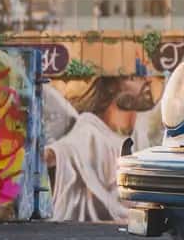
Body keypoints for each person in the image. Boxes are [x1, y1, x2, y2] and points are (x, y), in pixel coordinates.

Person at [44, 76, 156, 223]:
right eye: (134, 77)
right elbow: (63, 151)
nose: (147, 81)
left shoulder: (139, 135)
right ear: (112, 88)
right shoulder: (90, 131)